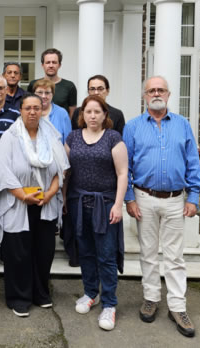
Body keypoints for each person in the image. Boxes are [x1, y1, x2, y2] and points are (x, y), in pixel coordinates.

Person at [123, 76, 200, 338]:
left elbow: (193, 162)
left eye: (160, 90)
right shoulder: (133, 127)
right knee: (148, 252)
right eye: (151, 90)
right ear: (145, 96)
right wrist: (129, 199)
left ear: (168, 94)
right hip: (144, 197)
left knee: (174, 256)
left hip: (174, 200)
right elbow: (126, 167)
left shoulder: (182, 125)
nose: (156, 93)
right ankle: (151, 298)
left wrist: (193, 197)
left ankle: (178, 306)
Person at [0, 94, 69, 318]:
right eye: (28, 108)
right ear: (21, 110)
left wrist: (49, 194)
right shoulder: (10, 137)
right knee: (18, 253)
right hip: (18, 203)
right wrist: (23, 196)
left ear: (42, 110)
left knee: (43, 251)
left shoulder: (51, 136)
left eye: (37, 107)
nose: (33, 112)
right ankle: (19, 298)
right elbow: (3, 172)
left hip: (45, 203)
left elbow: (60, 171)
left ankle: (40, 293)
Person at [64, 95, 127, 331]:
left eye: (97, 112)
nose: (92, 116)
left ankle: (109, 303)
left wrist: (118, 205)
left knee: (106, 255)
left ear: (104, 115)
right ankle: (91, 292)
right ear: (82, 115)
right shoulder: (73, 137)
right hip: (79, 202)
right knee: (86, 252)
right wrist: (63, 198)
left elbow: (122, 173)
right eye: (88, 112)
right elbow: (66, 171)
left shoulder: (113, 138)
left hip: (106, 204)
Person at [28, 48, 77, 117]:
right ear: (42, 65)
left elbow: (72, 113)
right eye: (48, 62)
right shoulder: (33, 85)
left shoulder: (69, 86)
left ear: (59, 65)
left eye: (54, 62)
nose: (51, 65)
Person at [33, 78, 71, 144]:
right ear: (34, 94)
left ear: (52, 94)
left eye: (47, 93)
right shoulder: (28, 112)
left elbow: (68, 142)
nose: (43, 96)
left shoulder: (62, 113)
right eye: (40, 92)